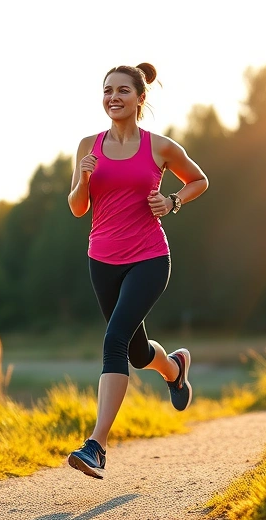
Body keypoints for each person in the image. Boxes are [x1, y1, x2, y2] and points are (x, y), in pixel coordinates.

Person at [65, 62, 209, 479]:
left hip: (149, 258)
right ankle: (174, 368)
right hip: (102, 260)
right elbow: (78, 209)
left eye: (123, 91)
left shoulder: (159, 147)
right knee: (134, 351)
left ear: (140, 98)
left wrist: (174, 201)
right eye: (107, 90)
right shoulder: (87, 147)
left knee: (113, 340)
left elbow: (199, 180)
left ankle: (97, 445)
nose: (114, 97)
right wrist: (84, 180)